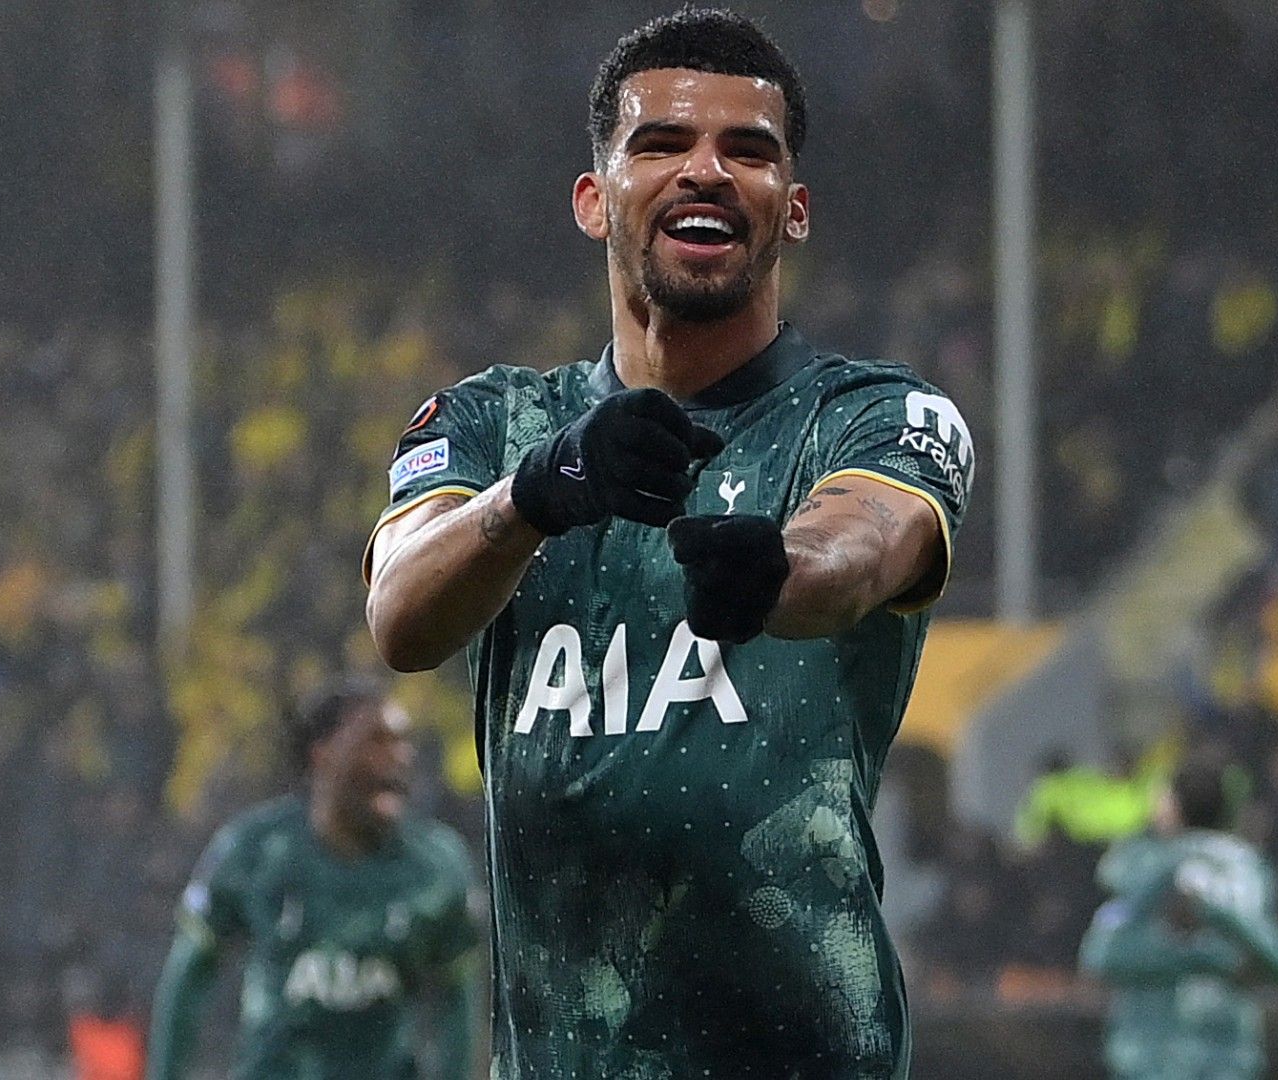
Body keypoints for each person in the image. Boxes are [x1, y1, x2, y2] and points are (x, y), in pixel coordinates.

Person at [363, 9, 974, 1076]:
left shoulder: (874, 413)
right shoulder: (491, 425)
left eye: (749, 151)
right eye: (662, 145)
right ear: (594, 202)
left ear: (794, 212)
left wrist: (778, 573)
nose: (707, 170)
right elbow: (401, 616)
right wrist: (537, 494)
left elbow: (867, 542)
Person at [148, 678, 480, 1080]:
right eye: (376, 741)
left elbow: (458, 1001)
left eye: (403, 741)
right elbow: (190, 973)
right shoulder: (255, 851)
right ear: (322, 754)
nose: (400, 756)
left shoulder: (435, 865)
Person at [1079, 750, 1278, 1080]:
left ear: (1173, 806)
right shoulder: (1247, 868)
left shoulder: (1140, 865)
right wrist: (1216, 960)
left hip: (1151, 1059)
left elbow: (1100, 956)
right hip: (1227, 1059)